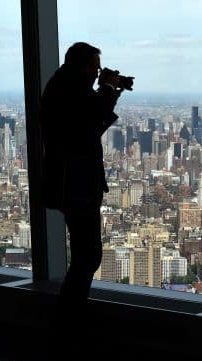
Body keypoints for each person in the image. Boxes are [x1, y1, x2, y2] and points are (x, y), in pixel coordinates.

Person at [40, 42, 131, 341]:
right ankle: (68, 321)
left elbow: (91, 125)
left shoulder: (66, 87)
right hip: (75, 184)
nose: (96, 73)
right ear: (81, 66)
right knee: (87, 256)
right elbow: (86, 123)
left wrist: (110, 92)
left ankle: (69, 319)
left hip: (76, 182)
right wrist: (106, 89)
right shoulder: (68, 91)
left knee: (85, 256)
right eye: (93, 67)